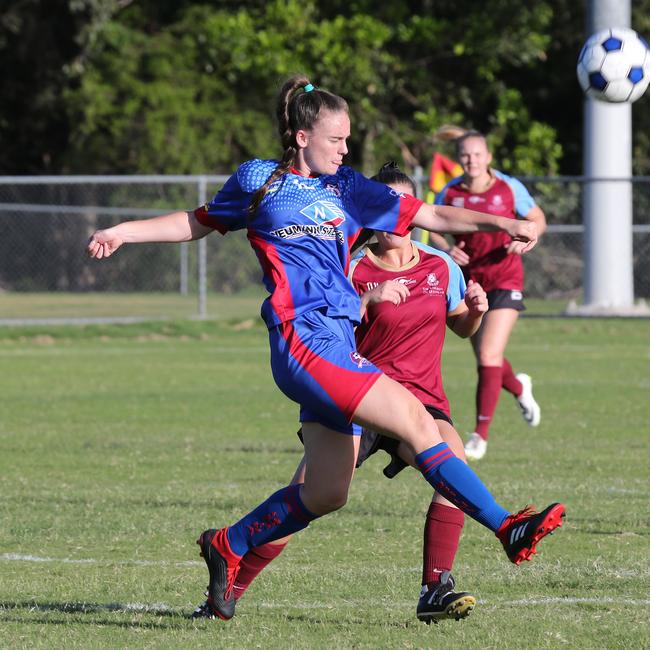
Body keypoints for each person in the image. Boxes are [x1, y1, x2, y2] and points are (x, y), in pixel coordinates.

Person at [86, 75, 564, 622]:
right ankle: (508, 526)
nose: (345, 149)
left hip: (334, 343)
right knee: (418, 423)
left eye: (347, 139)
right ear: (300, 136)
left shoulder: (349, 189)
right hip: (301, 337)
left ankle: (229, 544)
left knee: (327, 492)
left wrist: (504, 223)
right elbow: (194, 222)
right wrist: (124, 230)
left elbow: (433, 215)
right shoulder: (259, 181)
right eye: (335, 139)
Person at [190, 162, 488, 624]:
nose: (386, 218)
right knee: (308, 497)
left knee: (453, 473)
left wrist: (475, 312)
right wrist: (368, 300)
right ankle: (222, 594)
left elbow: (463, 329)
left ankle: (435, 587)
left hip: (421, 400)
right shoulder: (346, 261)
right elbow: (326, 323)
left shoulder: (440, 265)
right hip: (357, 396)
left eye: (395, 207)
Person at [428, 125, 547, 461]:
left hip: (506, 277)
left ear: (488, 157)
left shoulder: (508, 188)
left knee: (487, 356)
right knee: (488, 357)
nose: (472, 160)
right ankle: (519, 386)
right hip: (469, 283)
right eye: (465, 155)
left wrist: (521, 238)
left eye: (478, 154)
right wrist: (447, 248)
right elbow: (432, 226)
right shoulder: (450, 192)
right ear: (458, 159)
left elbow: (537, 218)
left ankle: (480, 435)